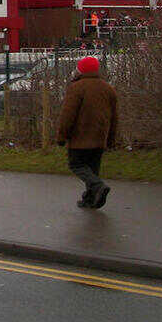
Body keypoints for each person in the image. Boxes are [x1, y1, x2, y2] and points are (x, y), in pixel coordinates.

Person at [56, 56, 119, 209]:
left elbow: (68, 114)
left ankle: (97, 187)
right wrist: (111, 139)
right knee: (92, 169)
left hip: (80, 136)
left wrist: (62, 135)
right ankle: (90, 199)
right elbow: (114, 117)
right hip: (100, 136)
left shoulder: (77, 87)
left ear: (81, 70)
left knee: (76, 165)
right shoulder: (108, 88)